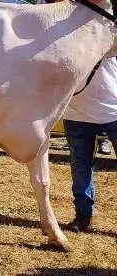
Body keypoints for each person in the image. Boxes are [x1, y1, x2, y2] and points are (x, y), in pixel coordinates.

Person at [62, 57, 117, 233]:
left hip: (113, 110)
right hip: (75, 114)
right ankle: (82, 215)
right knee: (80, 167)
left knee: (80, 167)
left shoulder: (109, 29)